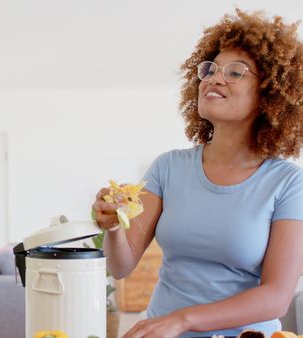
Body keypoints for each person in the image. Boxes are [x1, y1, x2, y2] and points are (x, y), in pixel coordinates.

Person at [92, 9, 303, 338]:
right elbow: (120, 266)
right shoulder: (169, 167)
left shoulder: (288, 183)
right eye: (210, 69)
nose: (214, 79)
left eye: (235, 72)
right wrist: (114, 226)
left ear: (269, 95)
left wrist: (182, 320)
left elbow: (276, 297)